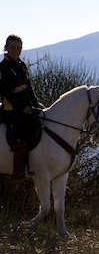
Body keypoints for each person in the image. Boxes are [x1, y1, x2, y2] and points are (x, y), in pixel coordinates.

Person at [0, 35, 44, 178]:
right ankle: (20, 167)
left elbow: (28, 88)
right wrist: (22, 108)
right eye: (12, 47)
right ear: (6, 48)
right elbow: (6, 93)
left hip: (26, 107)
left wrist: (35, 103)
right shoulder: (3, 68)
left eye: (18, 48)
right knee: (24, 128)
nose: (15, 51)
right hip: (10, 110)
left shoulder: (21, 65)